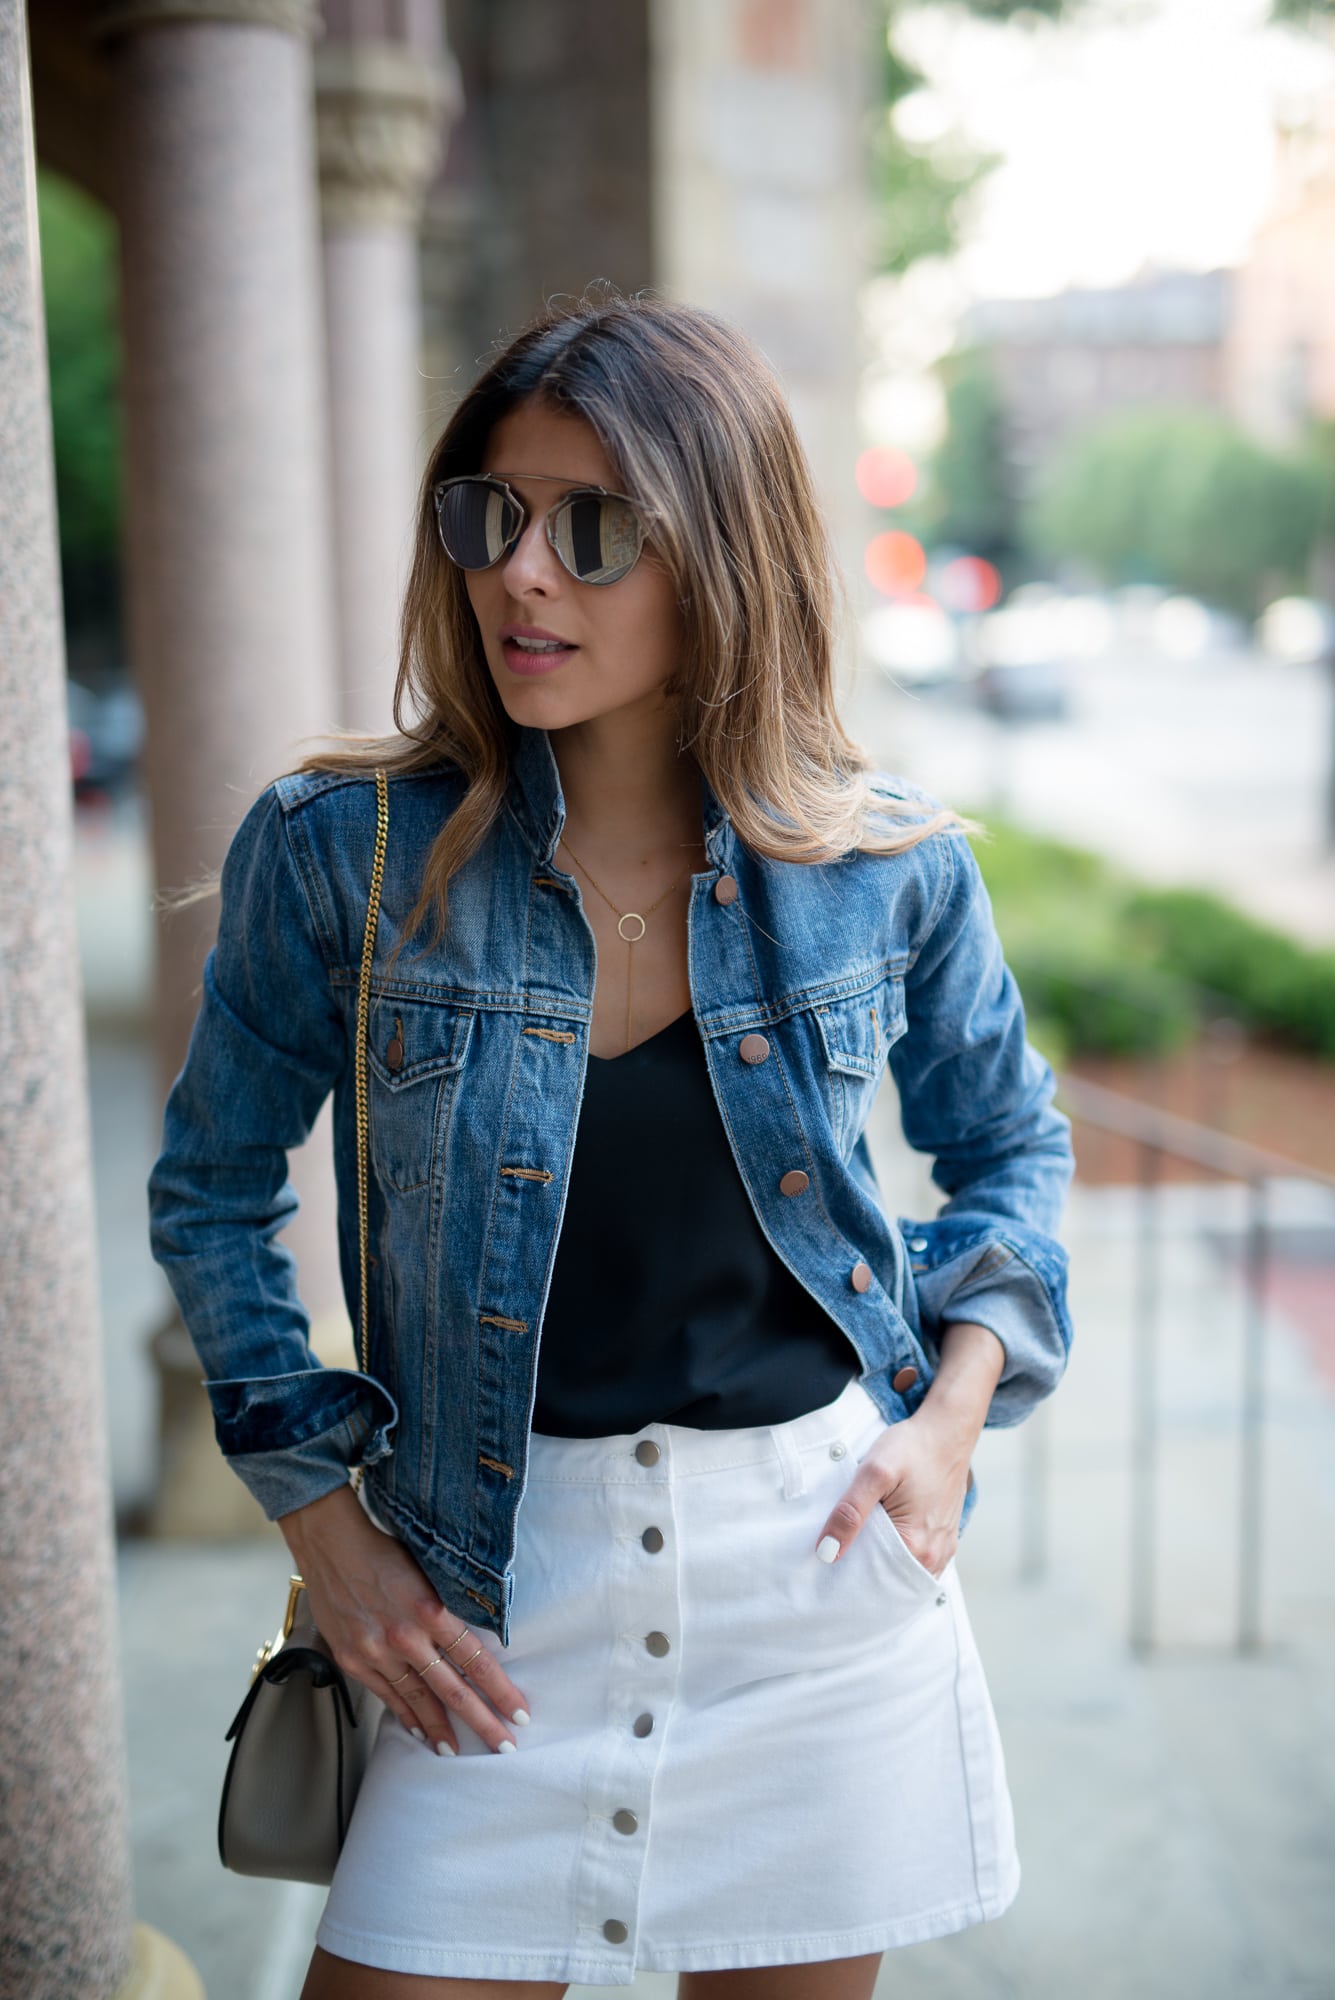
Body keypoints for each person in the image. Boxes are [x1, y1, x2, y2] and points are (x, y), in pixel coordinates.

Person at [148, 291, 1075, 2000]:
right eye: (492, 515)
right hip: (481, 1602)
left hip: (813, 1598)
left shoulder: (886, 868)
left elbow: (1011, 1153)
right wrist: (323, 1530)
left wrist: (947, 1430)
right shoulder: (340, 853)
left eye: (595, 529)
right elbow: (210, 1192)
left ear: (721, 556)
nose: (522, 573)